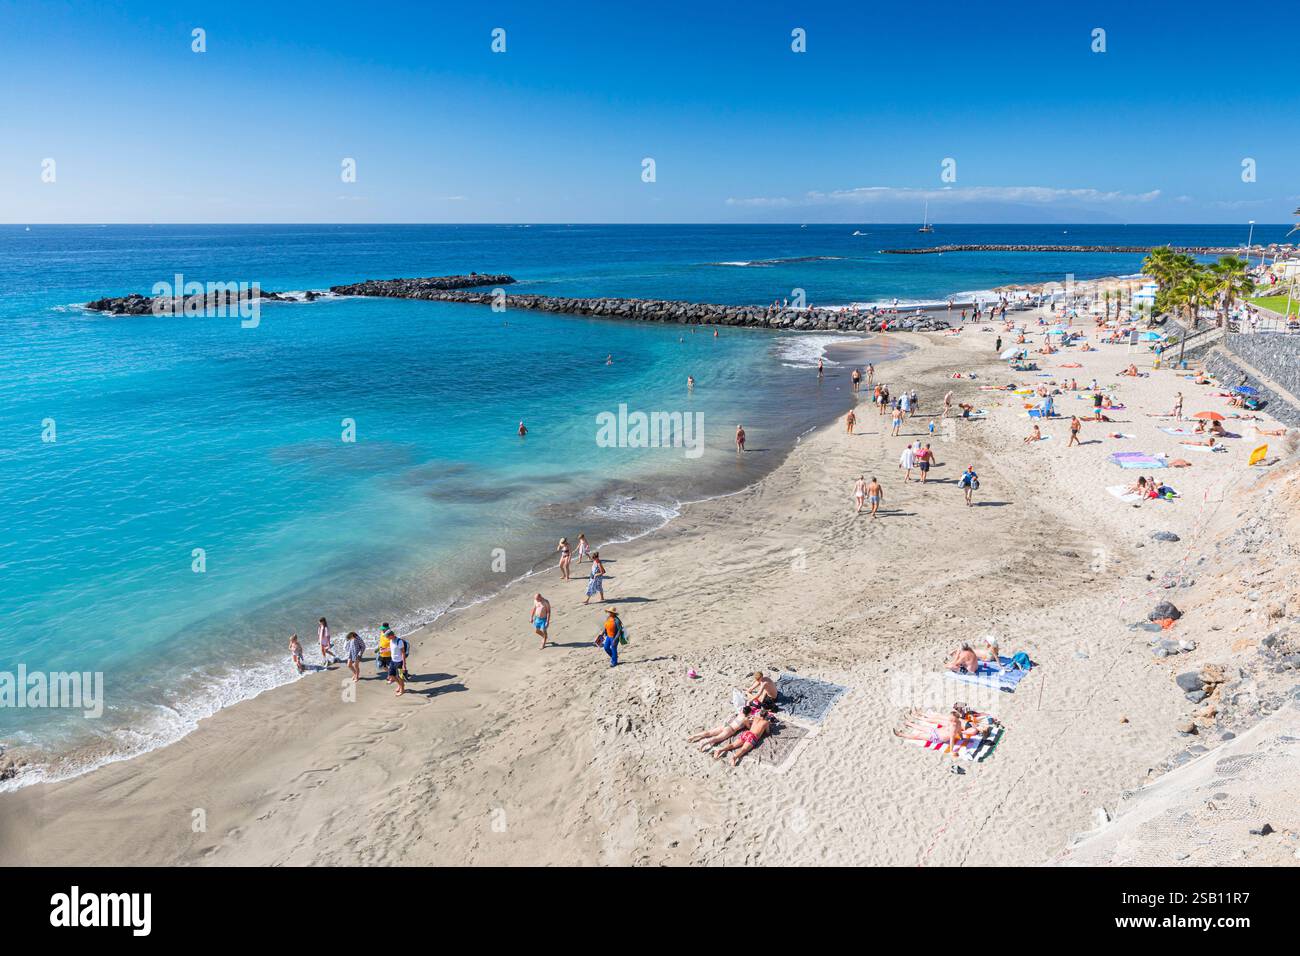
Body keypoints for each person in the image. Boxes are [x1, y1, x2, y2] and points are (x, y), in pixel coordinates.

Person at [386, 630, 407, 695]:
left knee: (400, 677)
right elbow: (391, 649)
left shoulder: (399, 641)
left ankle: (402, 690)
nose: (387, 638)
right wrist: (384, 650)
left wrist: (404, 665)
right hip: (393, 661)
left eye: (387, 636)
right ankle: (400, 686)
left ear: (391, 635)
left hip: (399, 662)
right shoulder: (391, 640)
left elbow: (403, 653)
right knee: (391, 675)